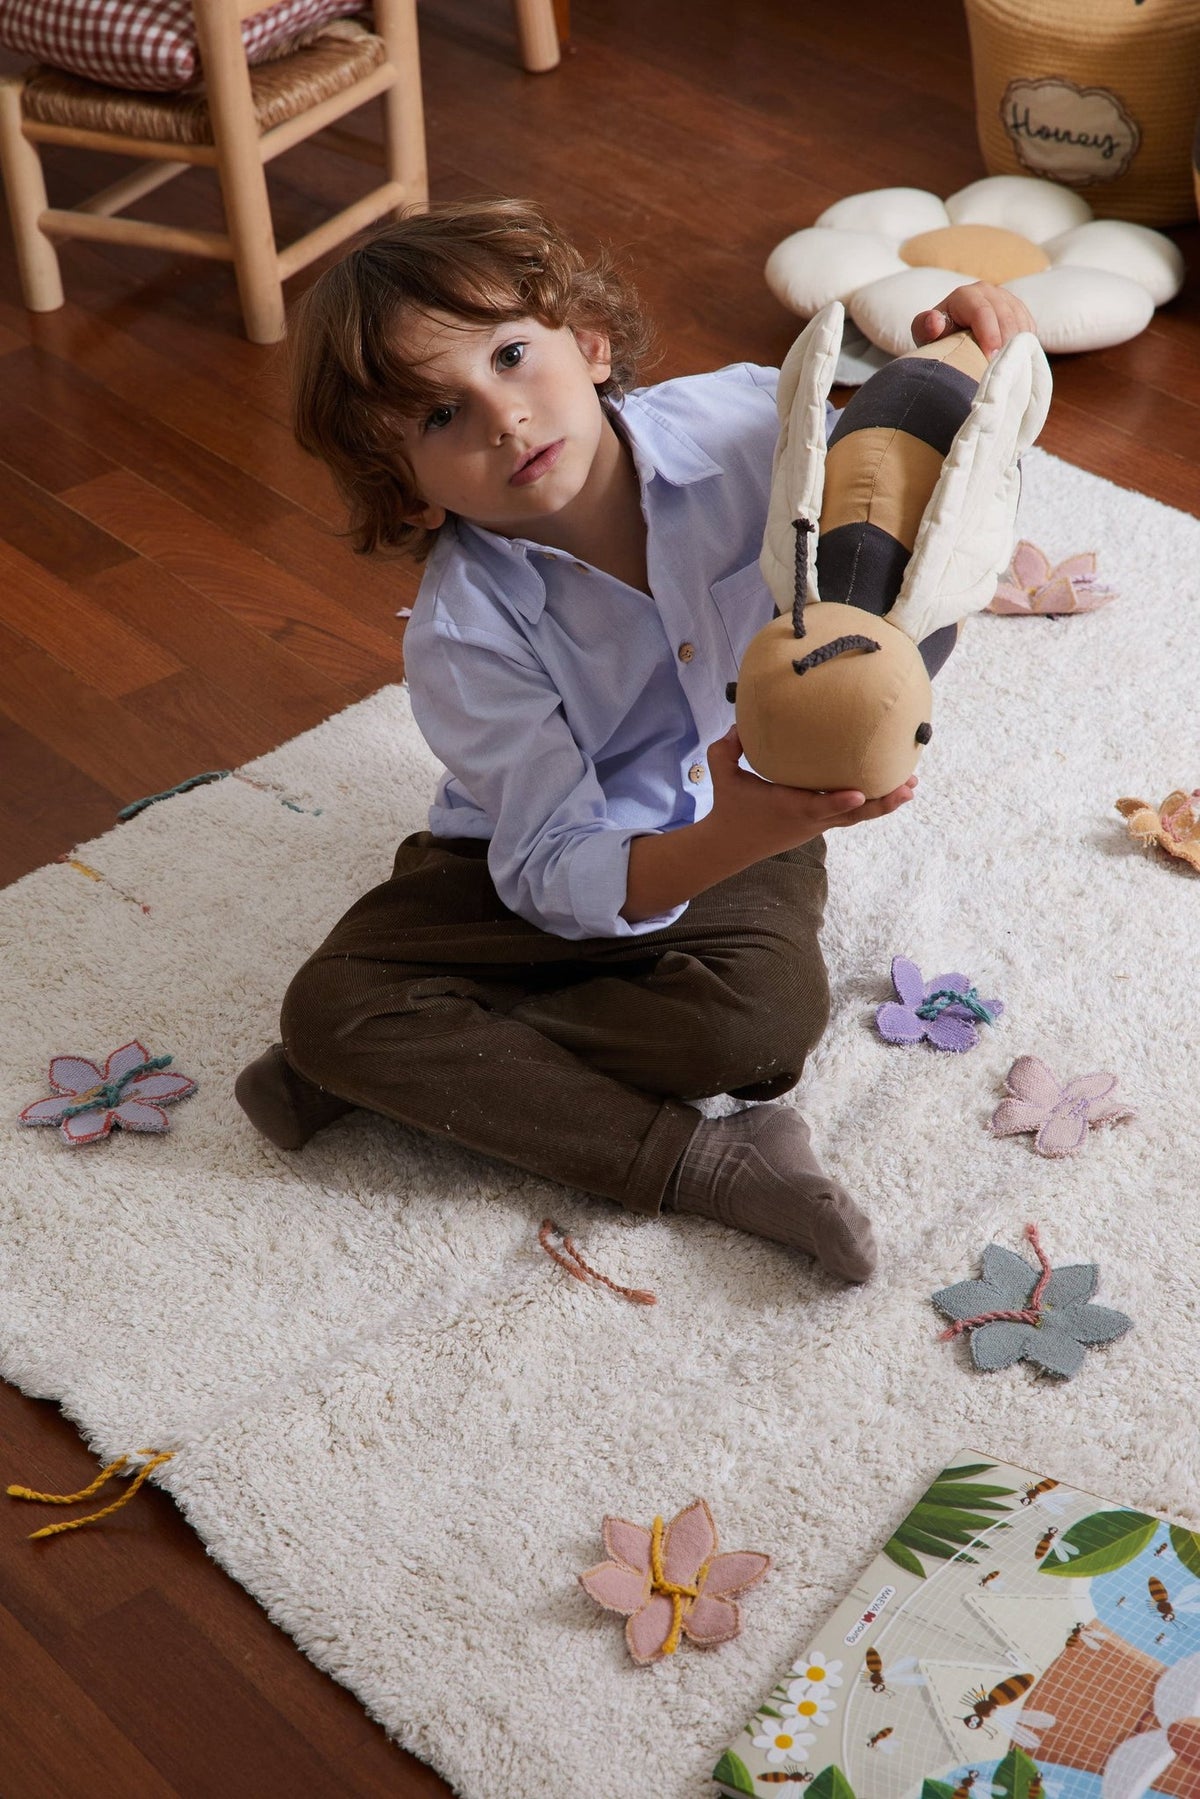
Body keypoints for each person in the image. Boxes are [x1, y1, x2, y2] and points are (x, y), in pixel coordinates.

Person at [235, 199, 1036, 1285]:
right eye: (437, 419)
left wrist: (963, 353)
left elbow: (901, 477)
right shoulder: (463, 634)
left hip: (752, 808)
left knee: (758, 1029)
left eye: (514, 356)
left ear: (590, 340)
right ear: (407, 496)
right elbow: (550, 868)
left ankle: (409, 1065)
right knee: (329, 1009)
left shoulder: (755, 425)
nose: (504, 419)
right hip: (523, 856)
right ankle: (707, 1163)